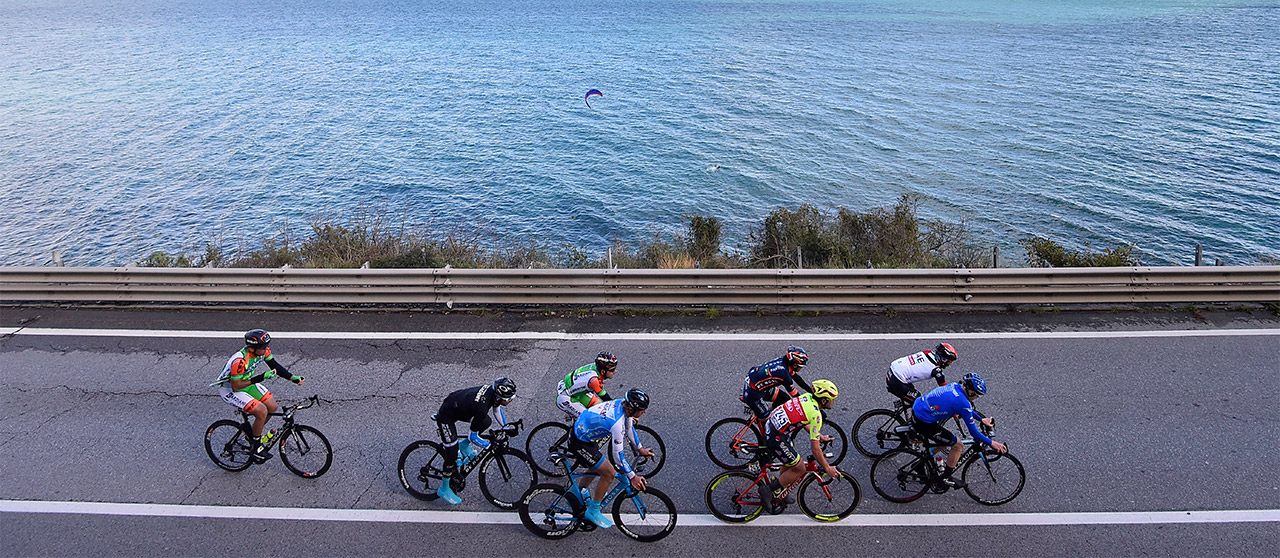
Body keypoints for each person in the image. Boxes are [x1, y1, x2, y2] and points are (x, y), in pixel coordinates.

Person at [567, 388, 655, 529]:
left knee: (596, 466)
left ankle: (576, 492)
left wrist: (640, 449)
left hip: (584, 434)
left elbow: (629, 427)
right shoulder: (616, 423)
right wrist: (632, 477)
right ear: (632, 409)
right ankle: (594, 511)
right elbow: (618, 458)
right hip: (580, 441)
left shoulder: (622, 404)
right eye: (642, 409)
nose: (644, 412)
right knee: (609, 473)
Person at [212, 329, 304, 463]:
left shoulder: (262, 351)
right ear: (253, 348)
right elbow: (236, 386)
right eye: (263, 347)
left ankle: (253, 435)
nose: (267, 349)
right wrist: (261, 377)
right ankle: (256, 447)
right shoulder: (240, 360)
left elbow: (274, 365)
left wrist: (292, 378)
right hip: (231, 389)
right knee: (261, 410)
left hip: (246, 383)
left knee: (272, 406)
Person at [911, 372, 1007, 488]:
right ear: (971, 392)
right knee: (958, 445)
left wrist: (982, 420)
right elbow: (974, 433)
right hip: (923, 422)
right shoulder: (962, 402)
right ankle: (945, 478)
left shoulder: (956, 386)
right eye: (978, 395)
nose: (977, 398)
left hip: (918, 408)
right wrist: (993, 443)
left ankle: (920, 464)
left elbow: (966, 409)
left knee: (945, 442)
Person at [433, 377, 518, 505]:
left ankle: (463, 445)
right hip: (446, 415)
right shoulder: (481, 407)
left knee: (486, 421)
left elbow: (496, 409)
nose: (511, 400)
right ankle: (444, 488)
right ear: (499, 397)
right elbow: (473, 437)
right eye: (509, 399)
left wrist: (505, 427)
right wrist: (488, 446)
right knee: (451, 453)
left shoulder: (493, 393)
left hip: (459, 404)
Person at [761, 379, 841, 506]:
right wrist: (827, 467)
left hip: (772, 426)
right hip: (776, 437)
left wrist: (819, 436)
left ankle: (780, 489)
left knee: (791, 460)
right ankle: (768, 490)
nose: (833, 402)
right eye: (832, 399)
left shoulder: (807, 397)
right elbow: (815, 450)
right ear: (824, 400)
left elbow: (803, 421)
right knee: (800, 468)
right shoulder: (816, 415)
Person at [741, 346, 813, 425]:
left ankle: (769, 416)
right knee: (767, 421)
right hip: (753, 393)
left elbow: (797, 378)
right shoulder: (784, 374)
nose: (800, 369)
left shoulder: (784, 361)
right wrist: (807, 406)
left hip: (758, 384)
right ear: (795, 365)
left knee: (784, 399)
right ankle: (765, 431)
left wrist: (811, 391)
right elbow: (795, 396)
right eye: (800, 367)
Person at [886, 343, 957, 404]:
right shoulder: (936, 370)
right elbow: (945, 390)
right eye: (949, 362)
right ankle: (914, 420)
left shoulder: (928, 352)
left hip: (892, 370)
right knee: (920, 402)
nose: (949, 364)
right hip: (897, 380)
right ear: (944, 359)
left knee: (914, 394)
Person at [556, 352, 617, 418]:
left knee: (600, 409)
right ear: (603, 371)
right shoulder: (593, 380)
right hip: (564, 397)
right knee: (586, 419)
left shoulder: (596, 367)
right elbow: (607, 399)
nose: (615, 371)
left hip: (577, 393)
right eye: (612, 370)